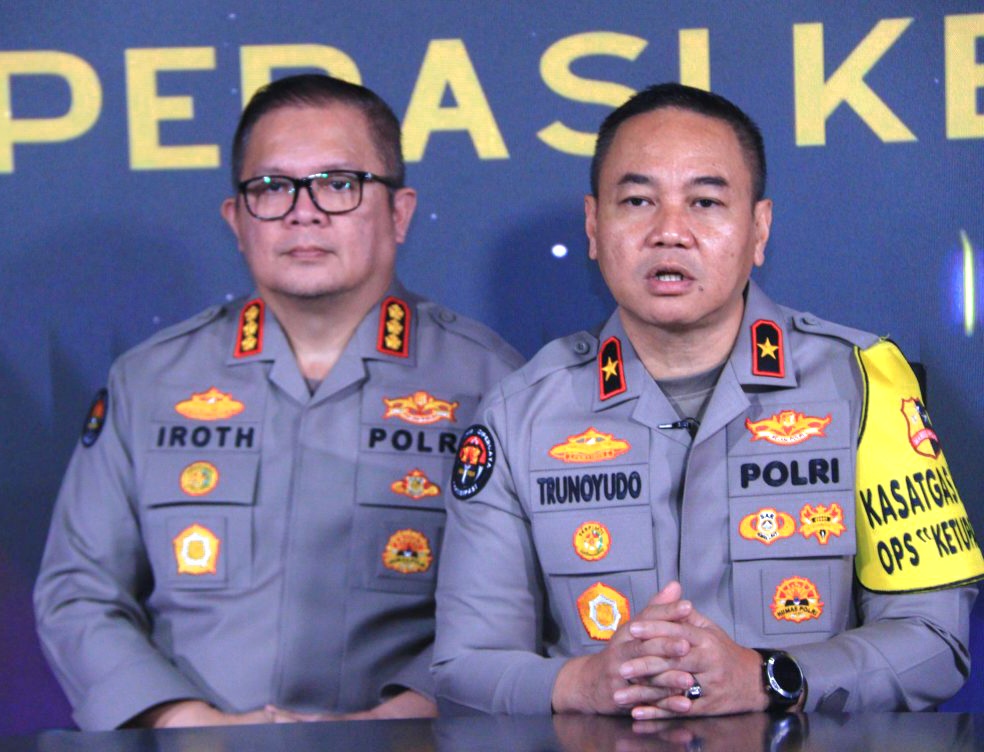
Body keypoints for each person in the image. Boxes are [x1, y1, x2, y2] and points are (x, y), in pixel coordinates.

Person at [433, 83, 982, 719]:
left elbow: (935, 639)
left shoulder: (863, 383)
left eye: (705, 201)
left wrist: (771, 678)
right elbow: (466, 664)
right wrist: (585, 684)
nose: (670, 232)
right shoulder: (518, 414)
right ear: (593, 226)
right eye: (637, 201)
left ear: (758, 229)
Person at [34, 74, 523, 731]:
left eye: (339, 184)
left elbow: (522, 601)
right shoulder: (148, 383)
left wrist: (396, 723)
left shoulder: (493, 384)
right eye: (271, 187)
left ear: (399, 213)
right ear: (237, 220)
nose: (303, 212)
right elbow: (79, 592)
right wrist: (188, 724)